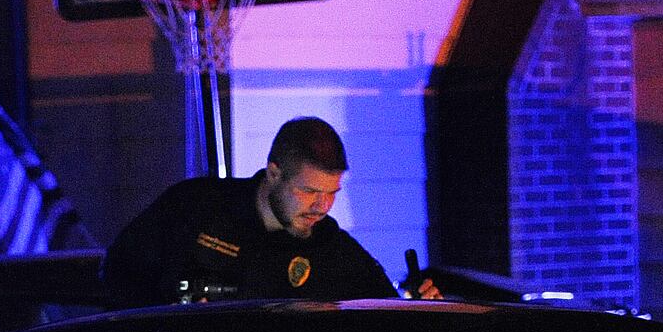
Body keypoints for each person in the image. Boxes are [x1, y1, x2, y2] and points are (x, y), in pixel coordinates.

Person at [101, 116, 439, 306]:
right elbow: (118, 272)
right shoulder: (197, 207)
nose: (322, 206)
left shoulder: (332, 249)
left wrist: (415, 301)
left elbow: (382, 308)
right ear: (273, 172)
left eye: (331, 193)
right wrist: (171, 313)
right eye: (308, 191)